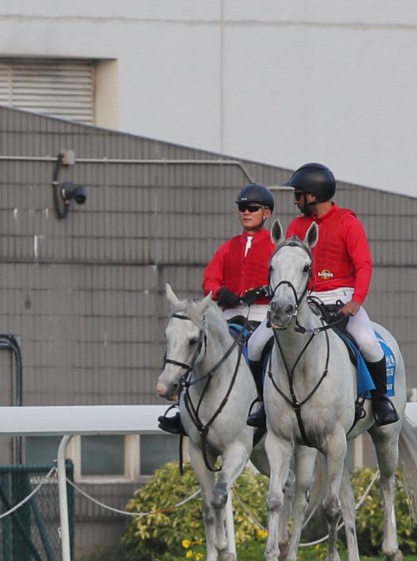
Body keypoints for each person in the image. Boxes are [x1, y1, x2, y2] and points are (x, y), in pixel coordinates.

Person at [246, 162, 398, 428]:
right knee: (257, 342)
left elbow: (363, 265)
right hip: (306, 299)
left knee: (369, 343)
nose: (294, 201)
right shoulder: (296, 225)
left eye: (298, 194)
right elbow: (285, 266)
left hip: (343, 298)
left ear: (313, 195)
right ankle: (262, 403)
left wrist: (356, 301)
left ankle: (382, 400)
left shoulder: (348, 223)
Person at [158, 184, 275, 436]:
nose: (245, 212)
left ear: (266, 212)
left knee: (260, 351)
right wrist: (220, 291)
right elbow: (210, 278)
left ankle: (265, 405)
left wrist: (266, 290)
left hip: (261, 315)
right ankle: (183, 408)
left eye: (252, 208)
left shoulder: (275, 247)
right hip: (229, 314)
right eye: (242, 208)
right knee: (194, 346)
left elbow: (284, 280)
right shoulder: (228, 247)